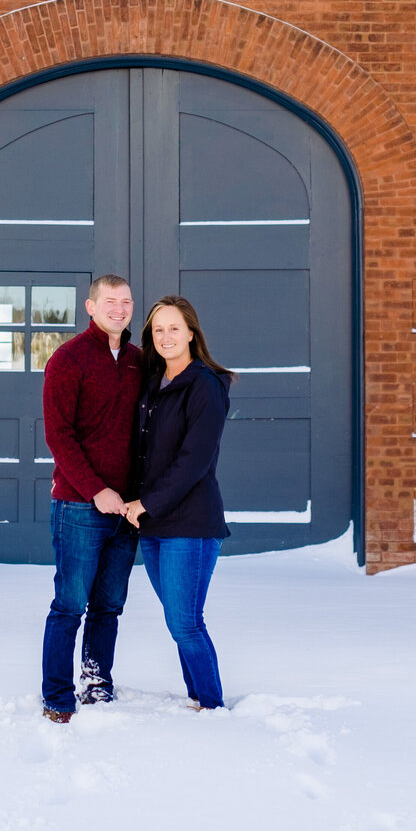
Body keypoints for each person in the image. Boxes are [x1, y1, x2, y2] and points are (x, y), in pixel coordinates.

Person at [39, 273, 142, 723]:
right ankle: (57, 695)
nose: (119, 309)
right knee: (69, 606)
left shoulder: (141, 361)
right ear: (90, 307)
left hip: (126, 511)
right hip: (80, 507)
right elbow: (59, 436)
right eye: (110, 302)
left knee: (109, 606)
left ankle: (97, 682)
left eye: (126, 301)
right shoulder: (68, 360)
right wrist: (95, 490)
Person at [123, 295, 233, 712]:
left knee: (186, 622)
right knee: (179, 621)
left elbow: (193, 461)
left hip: (191, 523)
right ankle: (197, 698)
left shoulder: (204, 385)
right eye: (158, 329)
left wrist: (145, 503)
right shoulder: (153, 385)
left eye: (174, 328)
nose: (166, 336)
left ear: (191, 333)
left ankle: (211, 705)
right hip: (153, 526)